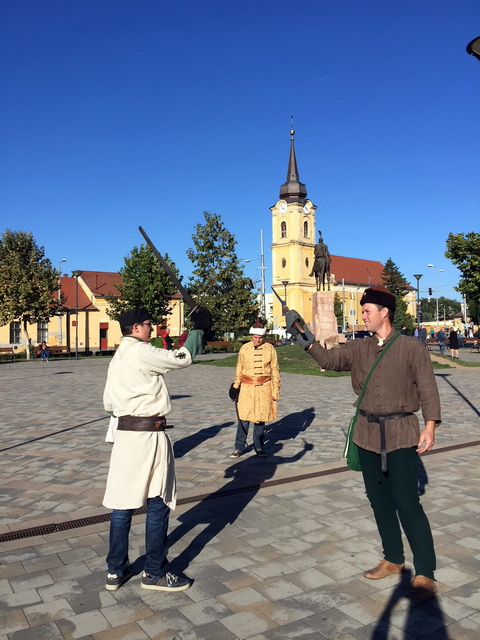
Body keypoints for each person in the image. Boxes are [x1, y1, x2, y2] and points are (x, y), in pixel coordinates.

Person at [286, 286, 441, 601]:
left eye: (367, 310)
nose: (363, 315)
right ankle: (393, 559)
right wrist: (304, 336)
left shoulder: (411, 347)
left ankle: (426, 572)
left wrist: (430, 426)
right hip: (367, 434)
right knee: (378, 500)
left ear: (385, 312)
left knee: (407, 502)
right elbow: (330, 360)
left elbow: (427, 387)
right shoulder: (359, 347)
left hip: (401, 433)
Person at [102, 305, 211, 592]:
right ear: (136, 327)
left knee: (122, 505)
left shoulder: (117, 357)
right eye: (149, 324)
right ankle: (153, 573)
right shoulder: (140, 350)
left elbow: (109, 405)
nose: (152, 328)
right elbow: (182, 358)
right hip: (148, 436)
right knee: (158, 501)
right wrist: (199, 330)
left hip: (124, 435)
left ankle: (115, 570)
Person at [229, 320, 281, 459]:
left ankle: (259, 446)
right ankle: (239, 447)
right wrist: (235, 386)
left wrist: (275, 390)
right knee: (244, 418)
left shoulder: (270, 349)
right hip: (246, 387)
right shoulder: (244, 348)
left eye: (260, 337)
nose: (258, 340)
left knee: (260, 418)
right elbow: (239, 368)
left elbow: (275, 370)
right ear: (252, 336)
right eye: (255, 337)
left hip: (264, 388)